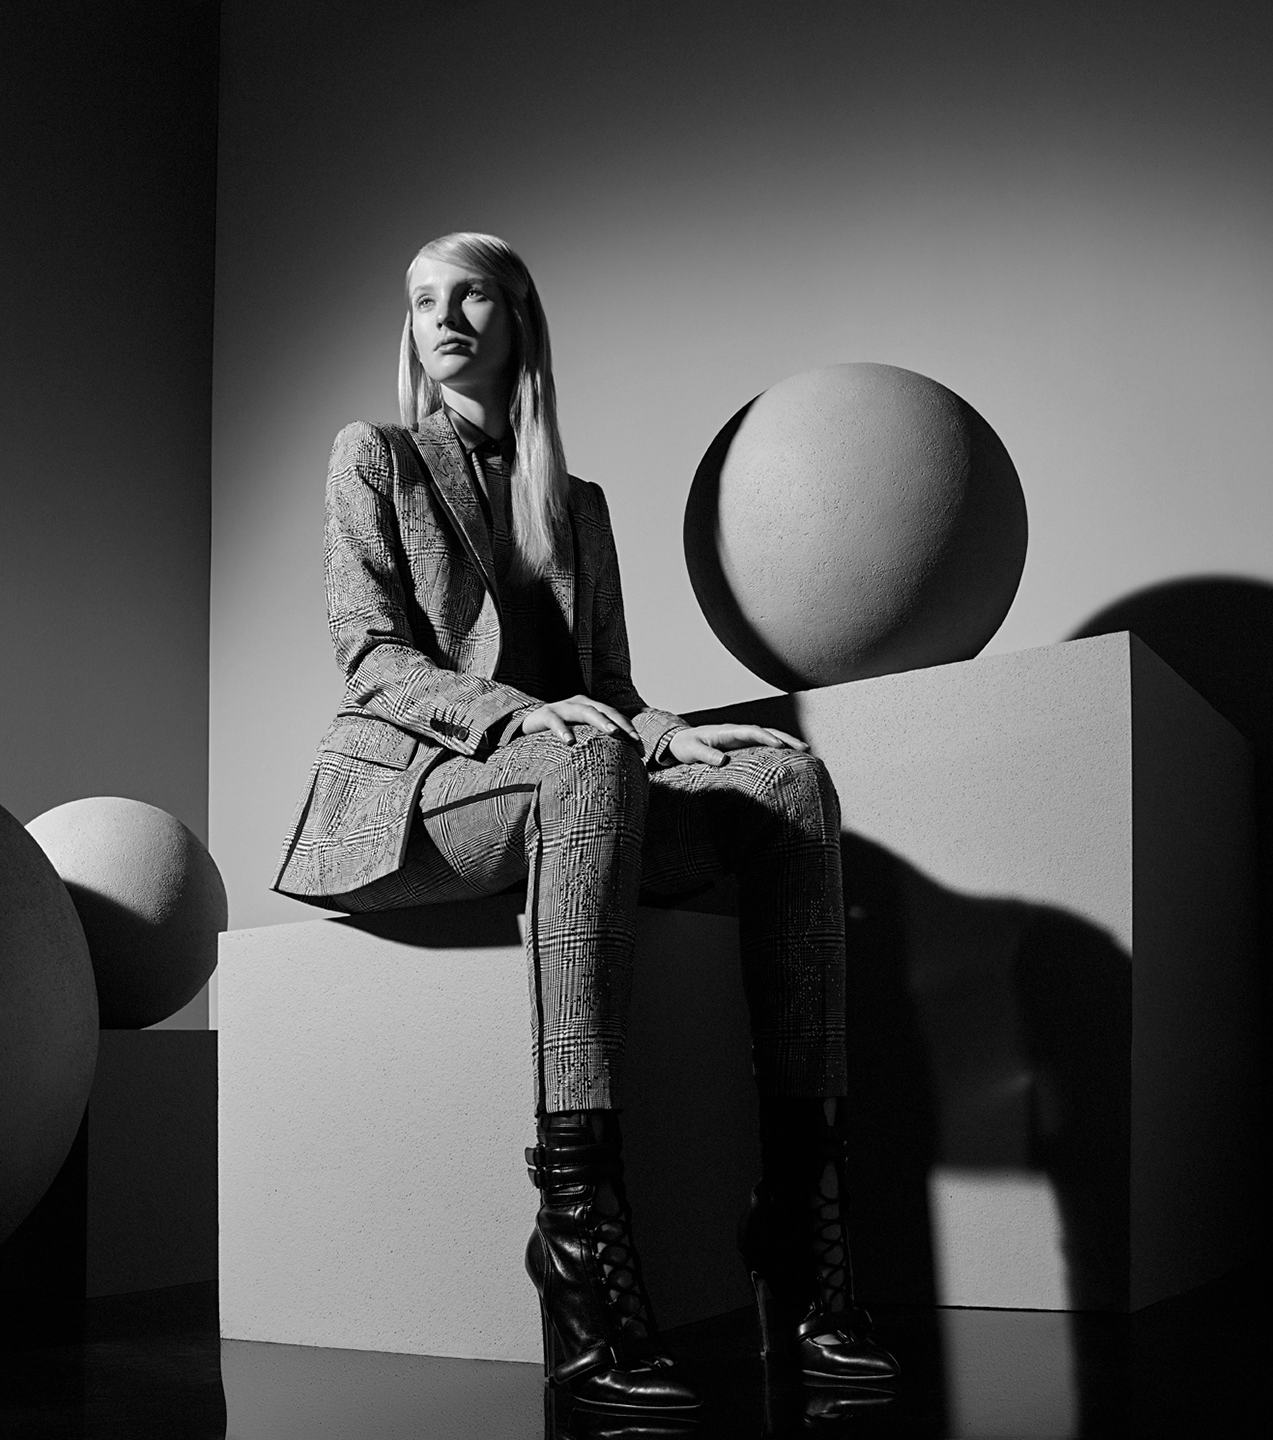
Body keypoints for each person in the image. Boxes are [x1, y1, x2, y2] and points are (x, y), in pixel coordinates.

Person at [274, 232, 898, 1416]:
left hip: (578, 779)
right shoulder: (378, 458)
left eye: (470, 296)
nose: (443, 317)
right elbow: (372, 659)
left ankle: (801, 1230)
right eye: (423, 301)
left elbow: (608, 691)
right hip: (419, 795)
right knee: (586, 761)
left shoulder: (580, 507)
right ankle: (577, 1249)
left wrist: (670, 736)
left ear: (519, 319)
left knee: (788, 783)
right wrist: (526, 719)